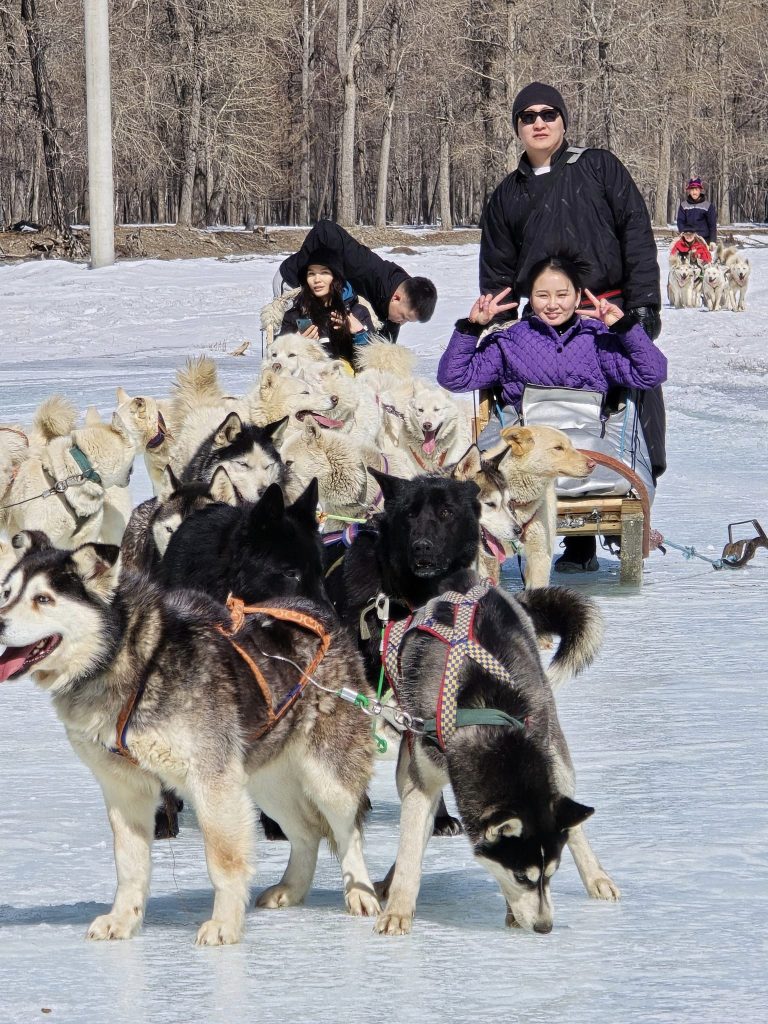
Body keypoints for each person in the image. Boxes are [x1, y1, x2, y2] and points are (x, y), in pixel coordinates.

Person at [478, 81, 666, 568]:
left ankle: (631, 507)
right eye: (528, 116)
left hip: (605, 313)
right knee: (547, 419)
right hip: (541, 322)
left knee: (629, 418)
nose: (539, 123)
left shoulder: (598, 167)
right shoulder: (507, 195)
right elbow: (499, 273)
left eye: (548, 114)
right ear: (518, 127)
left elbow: (636, 233)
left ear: (563, 120)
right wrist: (496, 329)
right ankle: (572, 537)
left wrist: (642, 306)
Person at [437, 256, 667, 572]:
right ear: (530, 296)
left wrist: (624, 327)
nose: (552, 304)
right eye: (542, 295)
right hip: (525, 457)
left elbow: (652, 373)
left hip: (587, 449)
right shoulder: (509, 340)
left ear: (577, 295)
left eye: (562, 295)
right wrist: (472, 327)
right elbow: (454, 377)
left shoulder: (597, 339)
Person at [277, 220, 437, 342]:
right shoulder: (364, 265)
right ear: (396, 298)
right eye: (403, 317)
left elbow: (382, 344)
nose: (401, 323)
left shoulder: (397, 297)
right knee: (299, 342)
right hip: (292, 281)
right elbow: (324, 230)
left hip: (329, 298)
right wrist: (309, 277)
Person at [278, 246, 374, 364]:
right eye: (311, 273)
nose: (317, 279)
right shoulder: (295, 315)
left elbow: (375, 365)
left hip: (349, 380)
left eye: (324, 272)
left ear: (336, 277)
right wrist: (294, 342)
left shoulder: (358, 312)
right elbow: (276, 359)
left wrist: (359, 334)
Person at [676, 178, 717, 244]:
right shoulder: (683, 205)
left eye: (696, 189)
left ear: (700, 190)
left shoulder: (708, 205)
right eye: (692, 190)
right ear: (689, 191)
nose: (694, 192)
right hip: (688, 238)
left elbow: (712, 225)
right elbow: (680, 222)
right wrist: (684, 234)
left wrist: (713, 240)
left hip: (704, 239)